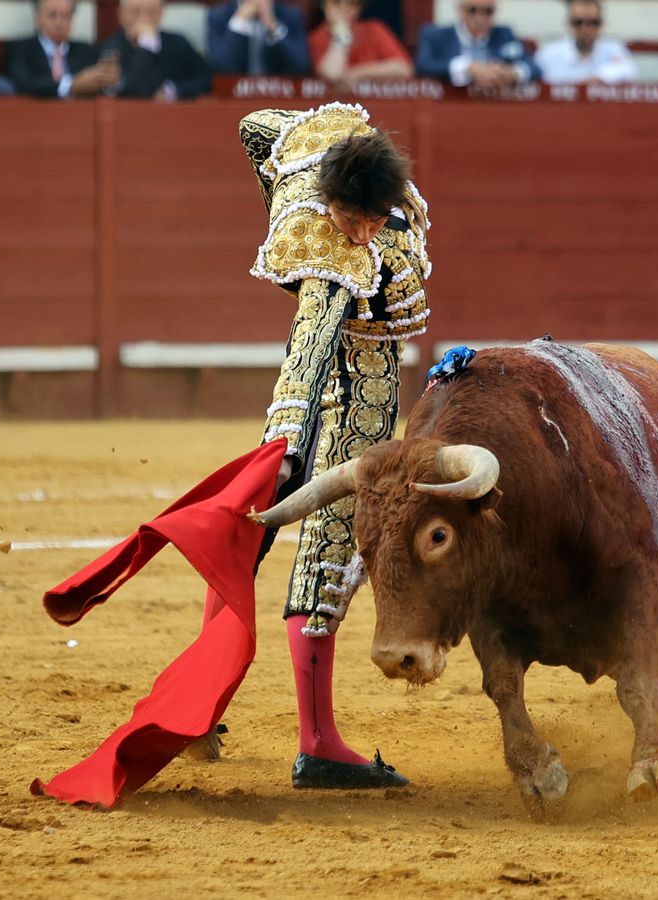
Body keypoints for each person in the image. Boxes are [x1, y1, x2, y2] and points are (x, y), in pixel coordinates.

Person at [237, 102, 432, 789]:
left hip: (335, 383)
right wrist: (288, 441)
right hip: (352, 395)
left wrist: (275, 194)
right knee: (327, 548)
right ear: (331, 201)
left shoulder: (329, 158)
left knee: (251, 532)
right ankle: (318, 743)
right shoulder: (325, 247)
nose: (365, 231)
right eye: (355, 218)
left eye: (375, 219)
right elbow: (313, 341)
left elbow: (257, 127)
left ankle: (202, 713)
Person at [100, 0, 212, 101]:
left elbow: (205, 80)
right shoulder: (111, 48)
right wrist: (147, 45)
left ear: (161, 12)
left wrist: (172, 90)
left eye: (151, 12)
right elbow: (134, 90)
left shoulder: (178, 43)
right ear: (121, 14)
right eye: (136, 12)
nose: (143, 18)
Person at [7, 0, 118, 99]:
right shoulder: (20, 49)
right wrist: (71, 85)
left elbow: (103, 88)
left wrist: (108, 80)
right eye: (52, 15)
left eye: (65, 16)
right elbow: (22, 84)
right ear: (37, 17)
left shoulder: (86, 51)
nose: (59, 22)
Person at [416, 1, 540, 87]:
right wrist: (466, 67)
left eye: (488, 11)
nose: (480, 17)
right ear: (460, 10)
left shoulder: (504, 34)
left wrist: (512, 73)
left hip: (495, 107)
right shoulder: (436, 36)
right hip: (453, 105)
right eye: (472, 10)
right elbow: (422, 66)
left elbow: (535, 68)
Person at [310, 0, 414, 86]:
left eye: (351, 3)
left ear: (359, 9)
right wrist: (341, 34)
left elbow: (403, 69)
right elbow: (333, 75)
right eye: (336, 3)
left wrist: (358, 73)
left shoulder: (374, 29)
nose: (344, 8)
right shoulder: (317, 38)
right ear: (325, 6)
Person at [534, 0, 635, 86]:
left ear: (602, 24)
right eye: (578, 22)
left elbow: (629, 70)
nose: (586, 28)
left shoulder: (614, 50)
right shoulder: (548, 55)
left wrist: (599, 78)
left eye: (594, 22)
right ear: (569, 23)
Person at [206, 0, 311, 76]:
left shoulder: (291, 16)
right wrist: (239, 23)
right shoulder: (218, 17)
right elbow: (221, 69)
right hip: (233, 99)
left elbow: (300, 66)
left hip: (279, 98)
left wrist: (273, 26)